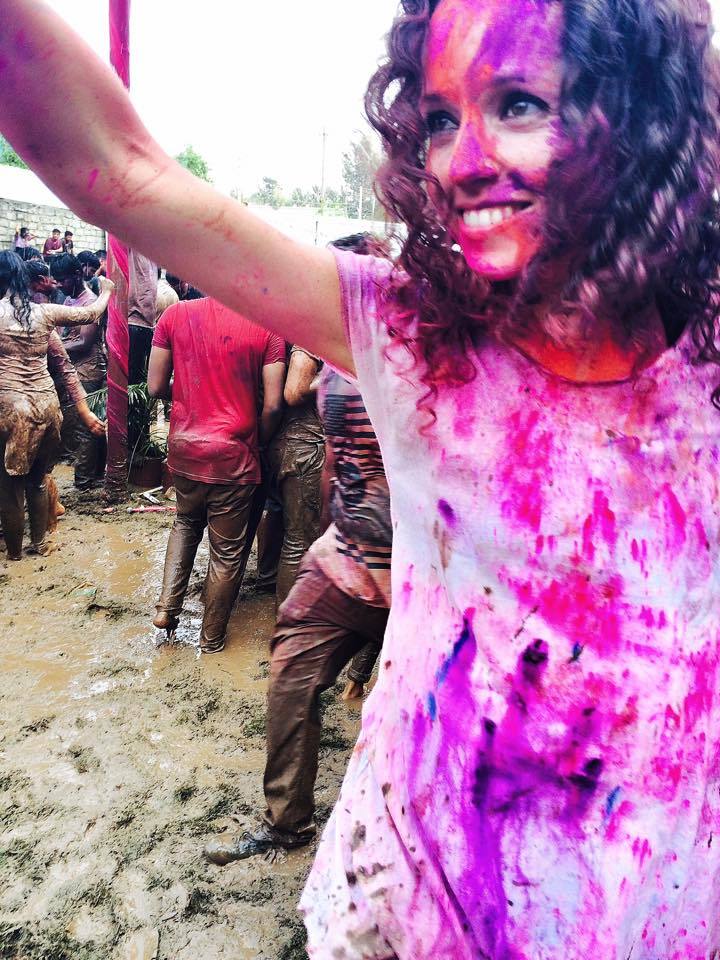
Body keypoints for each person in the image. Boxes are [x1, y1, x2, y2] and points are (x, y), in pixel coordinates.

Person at [4, 0, 720, 955]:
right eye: (436, 119)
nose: (460, 159)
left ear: (638, 116)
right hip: (420, 903)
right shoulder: (412, 335)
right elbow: (120, 170)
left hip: (653, 910)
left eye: (515, 102)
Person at [205, 233, 392, 865]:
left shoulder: (443, 350)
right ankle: (288, 823)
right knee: (290, 680)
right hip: (346, 557)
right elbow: (334, 452)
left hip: (431, 573)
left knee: (417, 717)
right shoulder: (336, 348)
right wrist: (326, 539)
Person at [148, 297, 285, 653]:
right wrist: (259, 440)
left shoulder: (174, 314)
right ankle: (211, 641)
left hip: (184, 447)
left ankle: (166, 608)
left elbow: (154, 386)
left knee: (185, 522)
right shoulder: (267, 329)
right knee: (226, 554)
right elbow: (273, 405)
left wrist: (190, 400)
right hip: (233, 453)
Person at [0, 250, 111, 559]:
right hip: (47, 407)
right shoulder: (44, 314)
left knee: (8, 487)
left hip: (10, 408)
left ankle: (14, 555)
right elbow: (89, 317)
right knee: (37, 481)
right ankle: (39, 543)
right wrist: (107, 291)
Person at [267, 346, 325, 604]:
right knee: (299, 540)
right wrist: (337, 376)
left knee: (283, 522)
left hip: (287, 444)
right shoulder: (308, 342)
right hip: (303, 448)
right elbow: (294, 391)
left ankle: (267, 579)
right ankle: (290, 623)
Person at [51, 254, 107, 489]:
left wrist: (52, 347)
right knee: (77, 425)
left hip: (89, 370)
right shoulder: (68, 301)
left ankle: (85, 480)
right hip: (72, 370)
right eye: (57, 280)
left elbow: (84, 342)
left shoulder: (90, 302)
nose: (59, 285)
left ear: (76, 275)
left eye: (63, 280)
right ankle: (89, 476)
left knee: (87, 427)